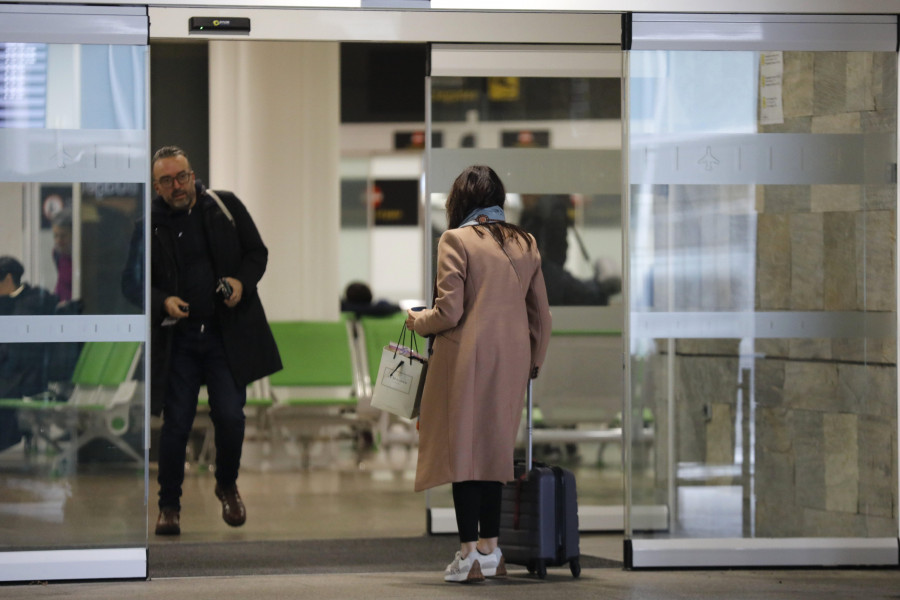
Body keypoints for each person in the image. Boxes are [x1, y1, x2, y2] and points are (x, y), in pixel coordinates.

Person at [123, 146, 282, 536]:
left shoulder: (223, 207)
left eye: (182, 176)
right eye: (166, 180)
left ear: (192, 175)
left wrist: (242, 283)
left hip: (225, 336)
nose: (177, 186)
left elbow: (256, 253)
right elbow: (131, 282)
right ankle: (168, 506)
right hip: (178, 341)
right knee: (175, 424)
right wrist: (162, 301)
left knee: (230, 416)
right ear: (156, 186)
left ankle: (226, 485)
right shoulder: (149, 224)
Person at [405, 165, 552, 583]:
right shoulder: (526, 242)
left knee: (462, 456)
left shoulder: (456, 239)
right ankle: (491, 549)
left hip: (465, 359)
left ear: (460, 201)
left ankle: (468, 554)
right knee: (492, 455)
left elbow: (449, 311)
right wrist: (533, 362)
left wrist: (418, 321)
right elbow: (541, 315)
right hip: (512, 362)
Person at [0, 256, 59, 452]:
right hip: (17, 371)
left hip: (26, 376)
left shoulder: (28, 306)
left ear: (8, 279)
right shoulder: (20, 303)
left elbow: (17, 352)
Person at [519, 194, 621, 306]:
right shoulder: (547, 276)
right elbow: (590, 295)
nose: (566, 244)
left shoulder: (526, 273)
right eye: (563, 233)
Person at [51, 208, 73, 302]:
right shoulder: (56, 253)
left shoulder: (81, 256)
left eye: (63, 236)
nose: (58, 241)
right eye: (55, 236)